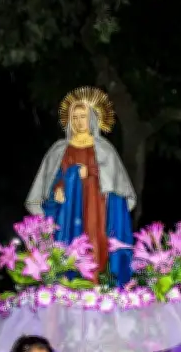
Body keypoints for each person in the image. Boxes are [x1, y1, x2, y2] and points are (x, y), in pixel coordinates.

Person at [25, 86, 136, 285]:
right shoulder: (59, 149)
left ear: (92, 118)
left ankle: (98, 285)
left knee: (95, 247)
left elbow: (117, 188)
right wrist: (57, 189)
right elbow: (50, 183)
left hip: (96, 210)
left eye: (82, 116)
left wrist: (91, 173)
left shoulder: (104, 150)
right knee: (66, 251)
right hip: (66, 214)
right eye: (74, 117)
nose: (78, 121)